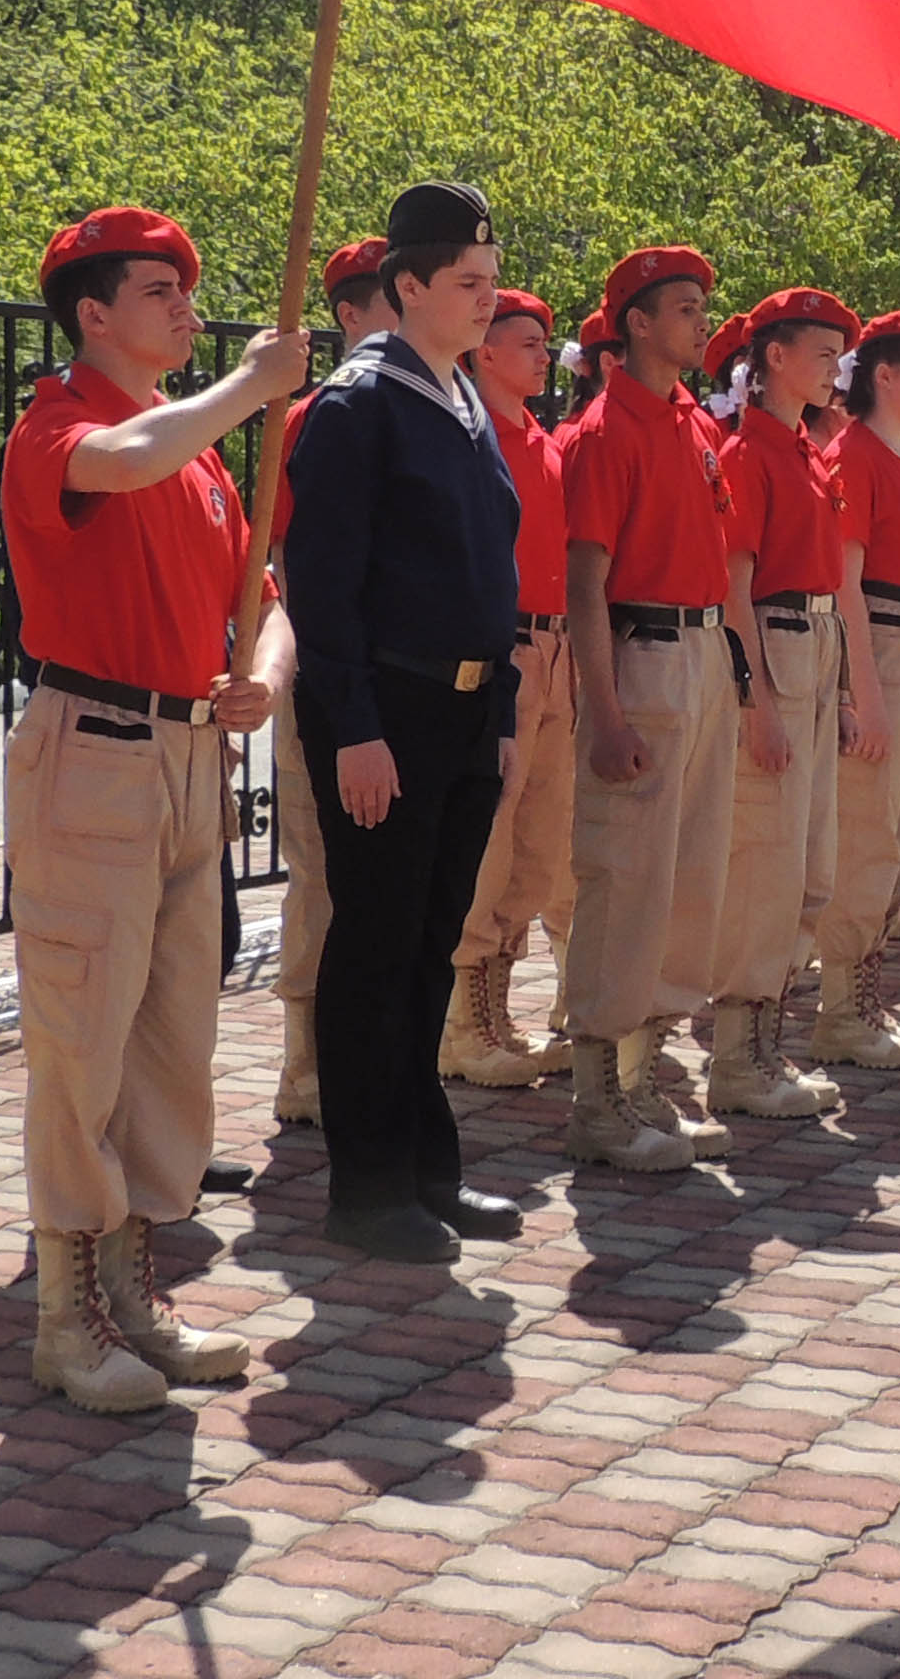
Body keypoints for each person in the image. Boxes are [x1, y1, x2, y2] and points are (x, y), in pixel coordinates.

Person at [0, 205, 305, 1413]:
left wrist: (264, 678)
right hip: (96, 748)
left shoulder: (206, 450)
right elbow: (121, 465)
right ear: (93, 314)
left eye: (188, 287)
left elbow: (265, 597)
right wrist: (245, 384)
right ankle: (66, 1312)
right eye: (158, 291)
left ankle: (134, 1282)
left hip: (188, 760)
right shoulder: (62, 424)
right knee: (83, 1037)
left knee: (168, 1037)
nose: (186, 307)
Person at [282, 184, 530, 1265]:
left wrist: (505, 708)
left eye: (492, 281)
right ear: (408, 286)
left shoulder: (463, 398)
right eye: (466, 283)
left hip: (467, 709)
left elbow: (492, 571)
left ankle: (426, 1165)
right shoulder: (359, 403)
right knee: (376, 946)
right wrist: (353, 727)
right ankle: (366, 1183)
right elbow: (323, 584)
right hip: (390, 706)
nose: (486, 300)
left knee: (431, 943)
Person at [558, 245, 734, 1171]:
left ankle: (641, 1074)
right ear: (635, 323)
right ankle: (596, 1095)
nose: (701, 321)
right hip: (645, 654)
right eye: (683, 307)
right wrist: (608, 715)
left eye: (702, 305)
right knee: (625, 878)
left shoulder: (691, 423)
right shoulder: (603, 431)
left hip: (701, 654)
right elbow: (584, 584)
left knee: (687, 882)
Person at [706, 286, 861, 1117]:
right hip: (775, 648)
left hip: (817, 647)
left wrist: (836, 693)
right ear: (773, 357)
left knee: (809, 866)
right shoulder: (748, 453)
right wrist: (756, 701)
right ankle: (737, 1055)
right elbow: (736, 591)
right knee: (765, 863)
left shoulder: (804, 449)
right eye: (820, 352)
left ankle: (769, 1039)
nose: (834, 368)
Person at [267, 236, 396, 1129]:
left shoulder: (433, 408)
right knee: (324, 874)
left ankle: (378, 1057)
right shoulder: (327, 413)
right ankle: (309, 1071)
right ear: (353, 316)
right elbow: (289, 558)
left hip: (403, 685)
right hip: (336, 679)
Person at [442, 288, 578, 1089]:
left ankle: (496, 1012)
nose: (540, 354)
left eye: (543, 342)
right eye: (524, 341)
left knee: (537, 841)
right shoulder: (469, 432)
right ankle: (463, 1024)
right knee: (489, 840)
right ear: (483, 350)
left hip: (554, 650)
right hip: (506, 648)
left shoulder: (545, 440)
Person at [813, 311, 900, 1070]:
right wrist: (864, 691)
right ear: (884, 377)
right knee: (867, 830)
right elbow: (846, 582)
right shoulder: (856, 457)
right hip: (884, 641)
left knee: (899, 828)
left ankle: (868, 994)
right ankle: (842, 1007)